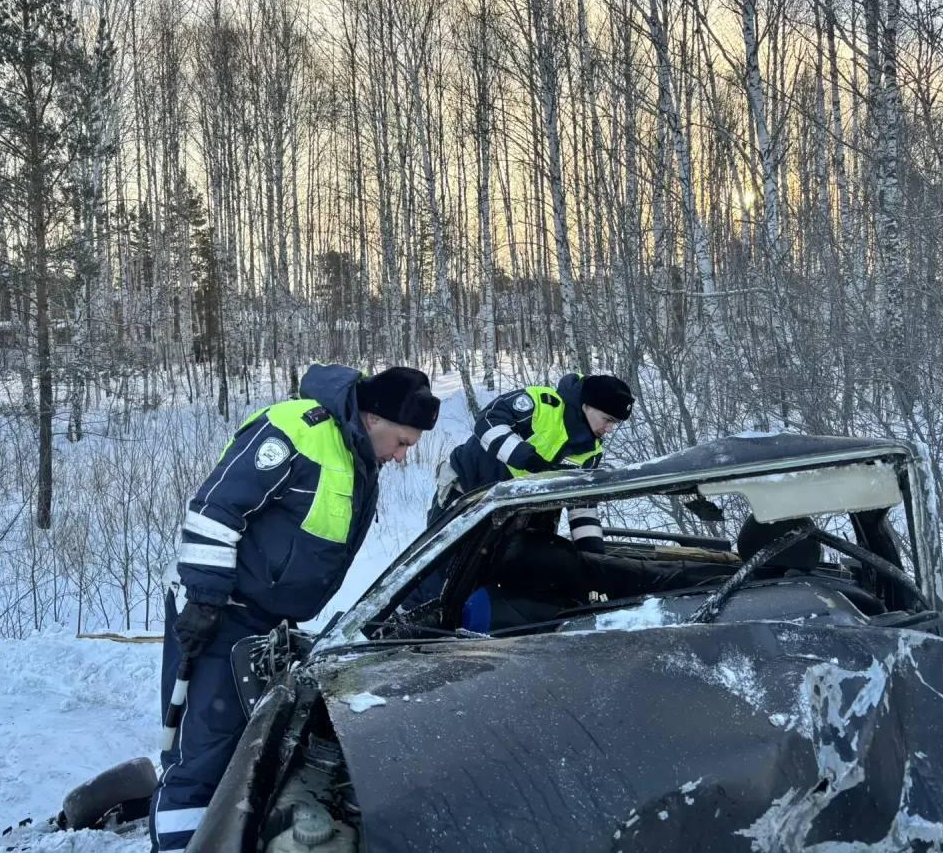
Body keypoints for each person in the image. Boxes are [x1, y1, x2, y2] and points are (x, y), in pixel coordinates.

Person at [149, 363, 440, 852]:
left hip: (266, 623)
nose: (402, 455)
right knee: (201, 759)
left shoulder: (357, 454)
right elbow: (216, 509)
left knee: (247, 755)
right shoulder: (295, 430)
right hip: (218, 613)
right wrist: (204, 601)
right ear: (373, 418)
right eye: (402, 442)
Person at [430, 373, 635, 553]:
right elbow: (488, 421)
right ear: (587, 405)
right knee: (439, 572)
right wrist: (527, 458)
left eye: (615, 423)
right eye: (607, 419)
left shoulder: (591, 452)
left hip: (512, 517)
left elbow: (582, 506)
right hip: (466, 495)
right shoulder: (541, 404)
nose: (609, 429)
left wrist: (593, 556)